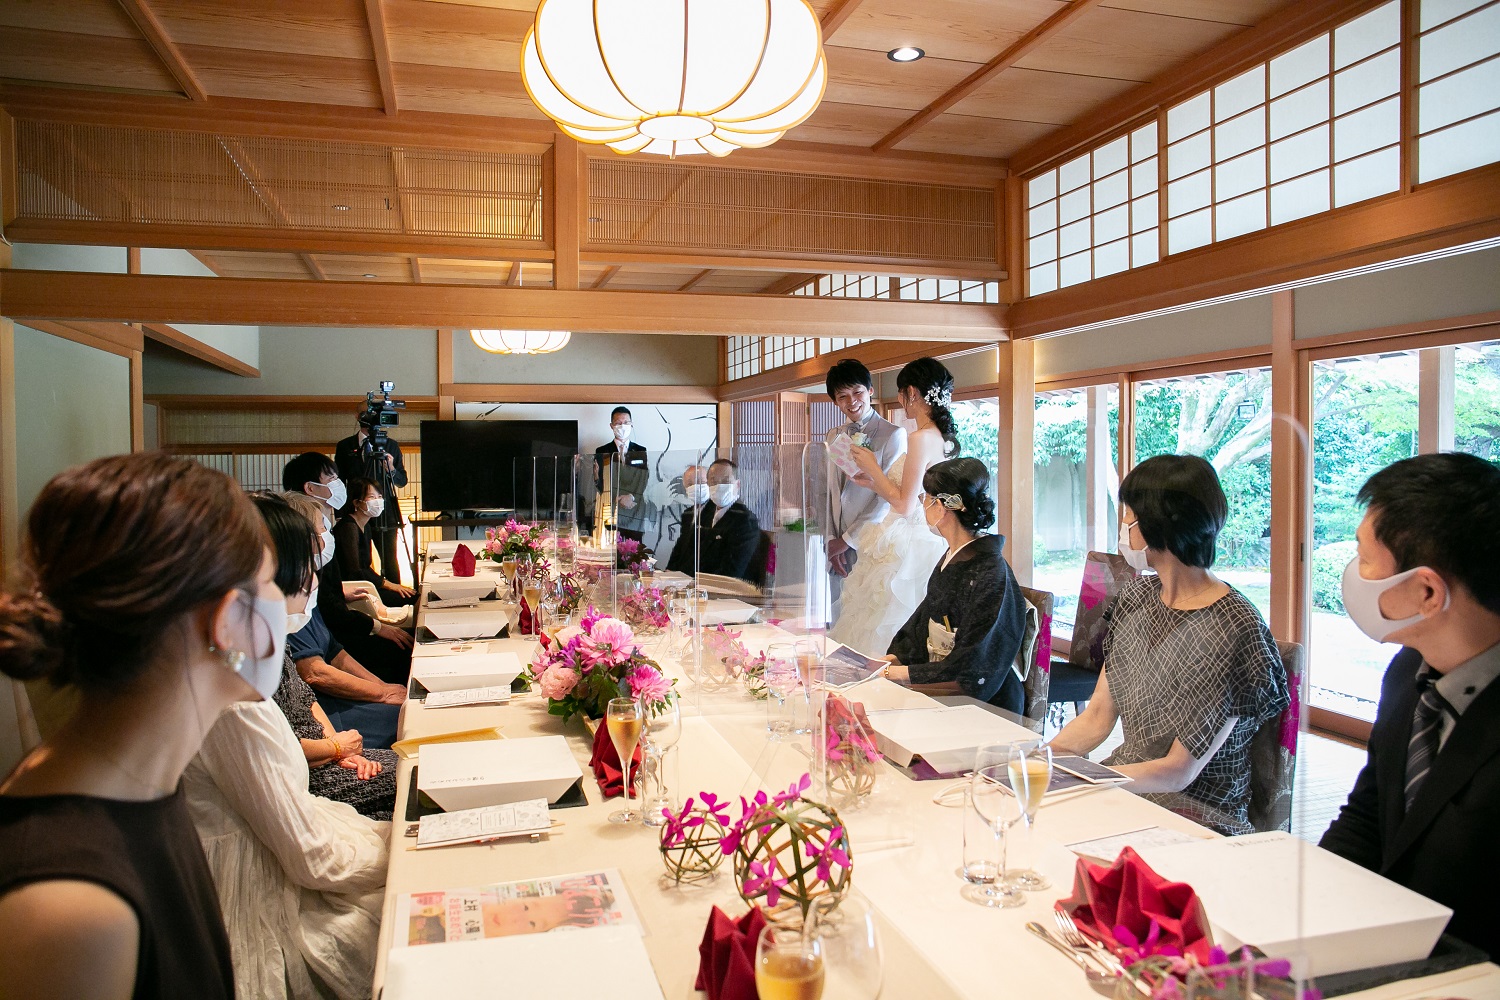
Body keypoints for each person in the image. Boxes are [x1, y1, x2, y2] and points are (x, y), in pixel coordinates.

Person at [0, 452, 273, 1000]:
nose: (284, 603)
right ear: (226, 621)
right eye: (271, 582)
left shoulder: (140, 785)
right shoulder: (69, 908)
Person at [184, 494, 389, 1000]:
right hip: (261, 892)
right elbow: (311, 859)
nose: (308, 582)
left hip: (295, 841)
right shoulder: (232, 701)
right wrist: (399, 853)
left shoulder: (236, 678)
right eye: (267, 580)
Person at [1320, 454, 1500, 960]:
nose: (1353, 574)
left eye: (1364, 559)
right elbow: (1368, 816)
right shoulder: (1407, 672)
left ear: (1426, 591)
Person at [1051, 455, 1289, 837]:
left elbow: (1178, 772)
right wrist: (1038, 762)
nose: (1124, 527)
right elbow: (1096, 718)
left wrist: (1083, 780)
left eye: (1129, 517)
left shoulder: (1233, 627)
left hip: (1198, 815)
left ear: (1157, 525)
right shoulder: (1136, 598)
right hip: (1124, 790)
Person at [258, 494, 398, 819]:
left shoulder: (283, 626)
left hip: (328, 745)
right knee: (414, 770)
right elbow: (271, 749)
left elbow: (307, 695)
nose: (313, 577)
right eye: (320, 533)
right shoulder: (257, 643)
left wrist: (338, 746)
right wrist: (336, 748)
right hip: (312, 770)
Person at [828, 357, 954, 654]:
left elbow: (905, 505)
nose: (900, 401)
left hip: (907, 540)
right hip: (922, 534)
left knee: (881, 622)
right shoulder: (940, 437)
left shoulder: (918, 437)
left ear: (911, 393)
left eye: (901, 393)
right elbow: (906, 493)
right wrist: (872, 482)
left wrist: (873, 468)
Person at [884, 458, 1029, 712]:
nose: (922, 504)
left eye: (925, 498)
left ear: (940, 507)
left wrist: (894, 674)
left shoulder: (991, 572)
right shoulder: (953, 557)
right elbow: (921, 624)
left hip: (987, 703)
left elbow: (973, 668)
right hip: (944, 681)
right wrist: (892, 660)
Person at [283, 452, 413, 683]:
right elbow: (327, 607)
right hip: (335, 629)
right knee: (404, 649)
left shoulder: (327, 523)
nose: (338, 483)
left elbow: (325, 591)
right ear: (310, 488)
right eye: (331, 478)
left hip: (335, 628)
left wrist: (340, 590)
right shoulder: (306, 531)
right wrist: (377, 626)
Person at [823, 360, 906, 589]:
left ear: (870, 390)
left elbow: (887, 496)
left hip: (870, 541)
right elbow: (829, 490)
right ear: (835, 401)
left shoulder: (893, 434)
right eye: (842, 396)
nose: (851, 401)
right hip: (835, 546)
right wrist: (831, 540)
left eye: (857, 392)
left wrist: (848, 540)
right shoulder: (833, 436)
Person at [335, 409, 409, 587]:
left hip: (384, 510)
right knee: (360, 559)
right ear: (357, 416)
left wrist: (391, 469)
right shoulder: (345, 446)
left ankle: (396, 592)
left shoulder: (390, 445)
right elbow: (339, 481)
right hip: (357, 510)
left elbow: (402, 481)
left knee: (390, 559)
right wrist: (339, 513)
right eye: (367, 413)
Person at [666, 459, 762, 582]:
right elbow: (693, 555)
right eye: (714, 482)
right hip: (695, 584)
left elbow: (732, 571)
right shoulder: (706, 514)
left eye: (725, 481)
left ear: (737, 484)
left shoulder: (745, 521)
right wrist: (672, 577)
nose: (719, 486)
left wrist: (693, 584)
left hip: (724, 589)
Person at [335, 476, 415, 607]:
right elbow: (356, 570)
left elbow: (366, 566)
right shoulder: (348, 527)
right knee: (412, 598)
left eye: (379, 496)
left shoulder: (366, 525)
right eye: (371, 497)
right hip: (353, 588)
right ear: (356, 502)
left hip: (366, 583)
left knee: (412, 595)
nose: (377, 501)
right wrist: (388, 584)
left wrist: (387, 584)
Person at [595, 406, 649, 542]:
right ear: (611, 426)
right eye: (618, 423)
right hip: (611, 509)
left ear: (631, 424)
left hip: (634, 510)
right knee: (610, 548)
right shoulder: (602, 451)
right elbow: (600, 480)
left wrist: (631, 497)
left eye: (626, 422)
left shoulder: (641, 450)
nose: (622, 426)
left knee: (635, 550)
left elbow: (644, 479)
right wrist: (616, 498)